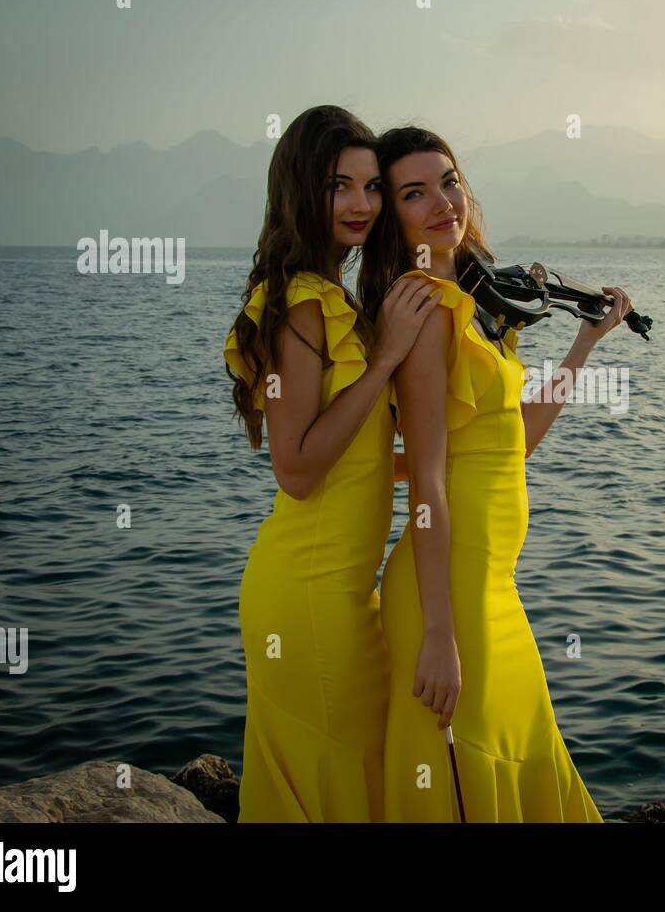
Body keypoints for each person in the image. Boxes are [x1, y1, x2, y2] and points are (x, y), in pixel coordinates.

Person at [358, 126, 632, 821]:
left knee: (527, 762)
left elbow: (514, 442)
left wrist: (582, 346)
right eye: (414, 193)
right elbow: (427, 484)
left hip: (491, 590)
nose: (442, 201)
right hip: (447, 599)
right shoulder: (424, 308)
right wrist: (439, 637)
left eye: (448, 181)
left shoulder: (477, 306)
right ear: (391, 215)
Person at [223, 106, 440, 821]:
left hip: (338, 593)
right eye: (338, 185)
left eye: (372, 187)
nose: (361, 204)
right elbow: (297, 467)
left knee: (343, 784)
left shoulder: (328, 298)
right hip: (308, 595)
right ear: (298, 191)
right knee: (339, 788)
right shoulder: (302, 306)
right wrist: (386, 360)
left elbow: (354, 457)